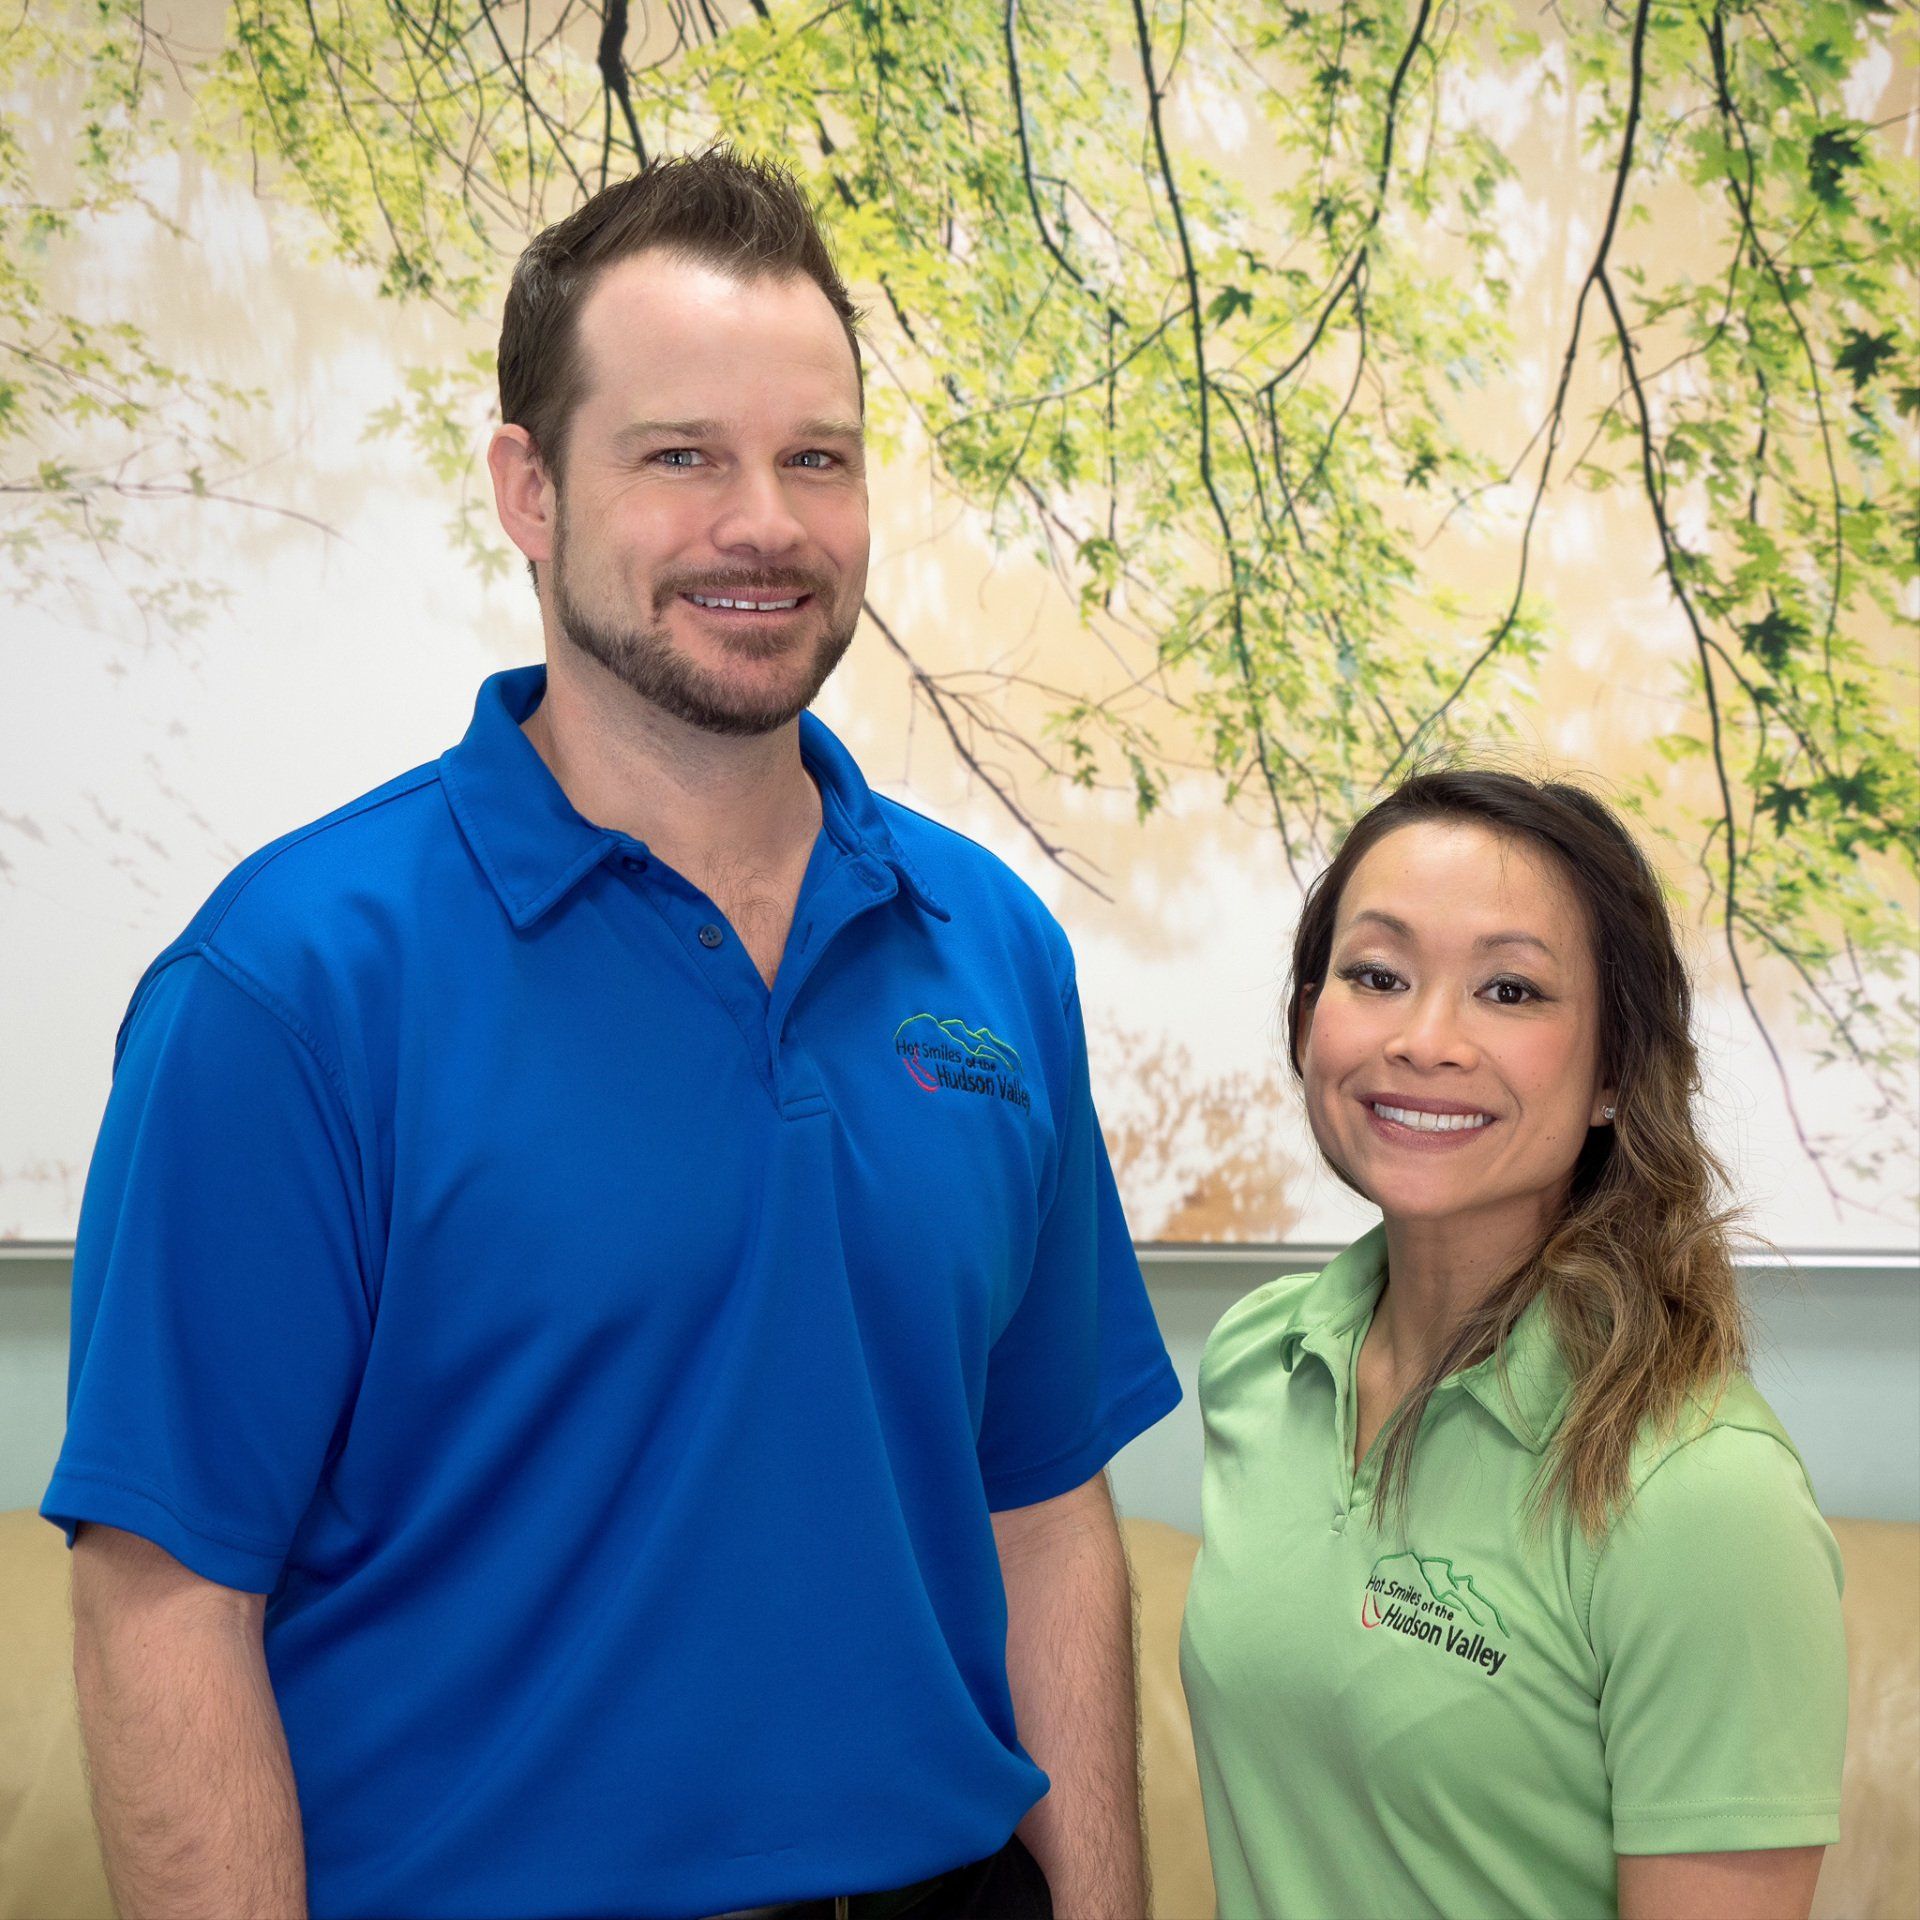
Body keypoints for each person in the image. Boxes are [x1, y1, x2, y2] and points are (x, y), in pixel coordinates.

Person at [43, 149, 1180, 1920]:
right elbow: (166, 1595)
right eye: (680, 457)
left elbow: (1042, 1508)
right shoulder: (288, 989)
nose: (766, 525)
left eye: (818, 457)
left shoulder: (993, 953)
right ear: (529, 489)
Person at [1179, 770, 1848, 1920]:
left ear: (1612, 1075)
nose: (1425, 1040)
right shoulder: (1258, 1364)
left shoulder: (1705, 1495)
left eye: (1510, 990)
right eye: (1377, 975)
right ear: (1307, 1020)